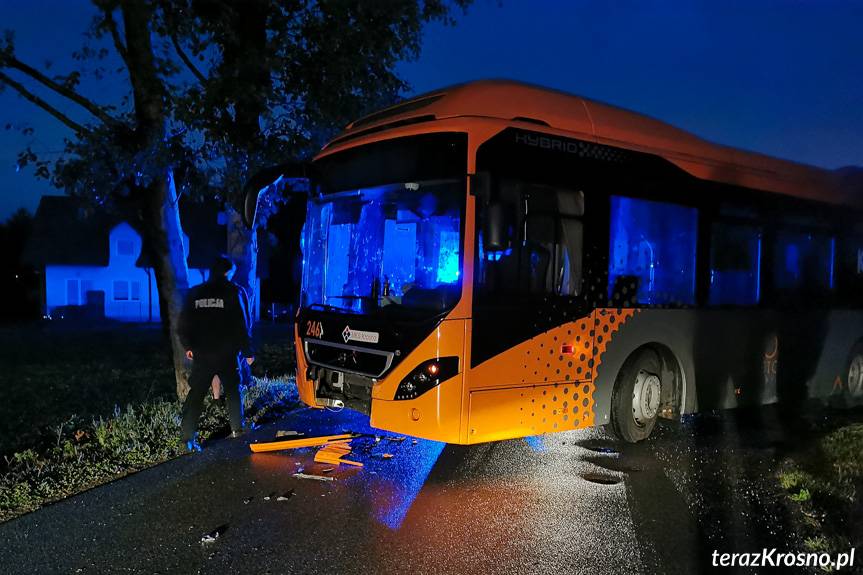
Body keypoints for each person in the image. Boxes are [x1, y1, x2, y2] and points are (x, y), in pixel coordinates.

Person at [178, 255, 254, 451]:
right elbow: (241, 324)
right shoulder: (234, 292)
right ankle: (238, 428)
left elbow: (184, 323)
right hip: (226, 353)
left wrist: (188, 346)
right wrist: (247, 351)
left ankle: (186, 440)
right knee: (232, 391)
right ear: (228, 272)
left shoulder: (195, 293)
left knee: (196, 395)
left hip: (202, 353)